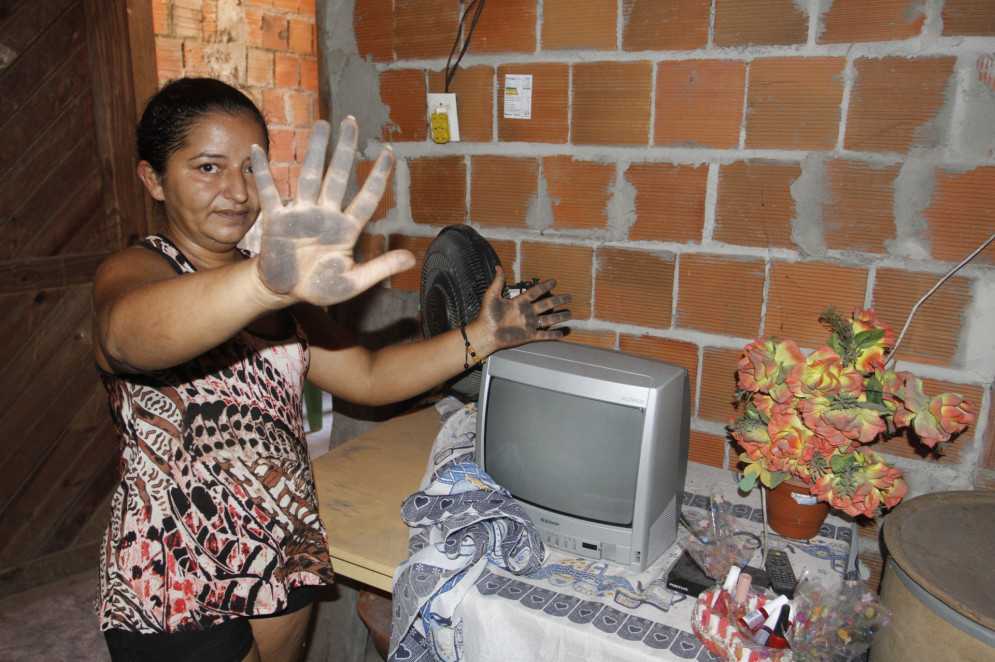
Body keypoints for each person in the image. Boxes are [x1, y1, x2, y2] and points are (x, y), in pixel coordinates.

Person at [91, 77, 571, 662]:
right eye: (209, 168)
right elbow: (126, 336)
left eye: (252, 169)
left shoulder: (272, 284)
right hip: (180, 571)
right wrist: (264, 281)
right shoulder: (139, 270)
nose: (238, 192)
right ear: (153, 178)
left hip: (280, 546)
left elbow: (366, 373)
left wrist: (484, 336)